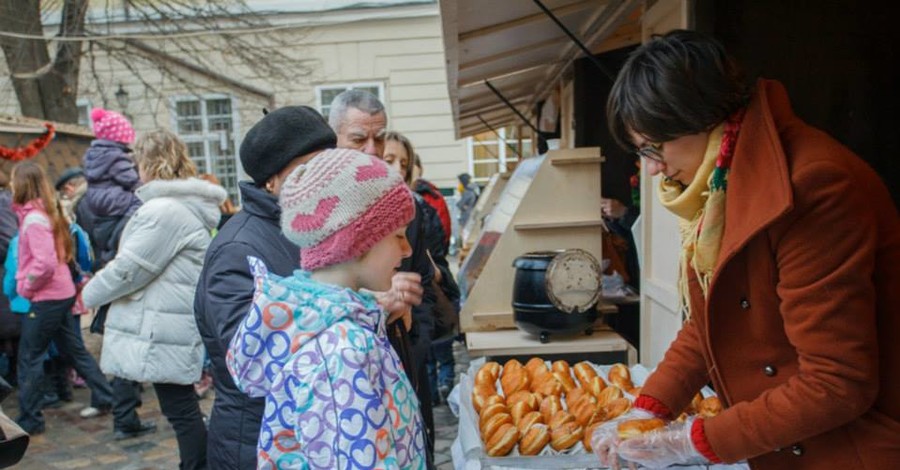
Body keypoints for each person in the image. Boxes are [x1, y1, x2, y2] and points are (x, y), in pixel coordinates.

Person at [592, 30, 900, 469]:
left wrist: (693, 442)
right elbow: (712, 322)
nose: (654, 169)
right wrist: (650, 408)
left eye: (653, 148)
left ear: (697, 118)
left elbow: (837, 381)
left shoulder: (811, 187)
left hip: (851, 450)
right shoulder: (723, 186)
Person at [194, 106, 423, 470]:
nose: (324, 177)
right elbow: (253, 348)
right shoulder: (237, 249)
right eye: (309, 168)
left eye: (329, 164)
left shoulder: (327, 226)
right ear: (272, 179)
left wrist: (373, 306)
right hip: (251, 442)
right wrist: (358, 320)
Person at [83, 129, 223, 466]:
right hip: (168, 319)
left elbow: (130, 269)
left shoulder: (163, 209)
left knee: (181, 411)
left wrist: (90, 293)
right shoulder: (177, 205)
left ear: (150, 162)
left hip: (163, 324)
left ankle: (198, 465)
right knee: (181, 409)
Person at [330, 90, 438, 465]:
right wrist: (372, 307)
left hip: (404, 365)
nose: (373, 150)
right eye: (359, 139)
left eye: (380, 137)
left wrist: (413, 334)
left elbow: (422, 283)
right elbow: (311, 294)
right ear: (335, 139)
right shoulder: (319, 209)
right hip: (346, 384)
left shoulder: (407, 205)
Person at [9, 161, 113, 436]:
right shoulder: (46, 213)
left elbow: (43, 263)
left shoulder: (33, 219)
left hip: (46, 298)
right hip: (61, 294)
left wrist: (27, 287)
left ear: (20, 185)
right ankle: (105, 395)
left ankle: (30, 418)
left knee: (29, 357)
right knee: (73, 348)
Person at [79, 108, 154, 434]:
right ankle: (126, 418)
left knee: (120, 345)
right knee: (129, 348)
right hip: (127, 273)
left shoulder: (89, 193)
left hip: (106, 270)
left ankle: (126, 416)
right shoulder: (130, 193)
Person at [386, 134, 460, 406]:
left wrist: (418, 340)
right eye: (389, 160)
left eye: (403, 163)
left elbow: (437, 267)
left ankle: (439, 383)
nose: (397, 170)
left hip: (415, 328)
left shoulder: (420, 209)